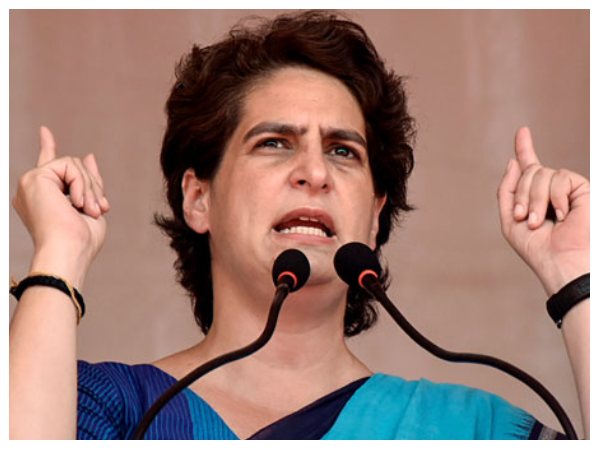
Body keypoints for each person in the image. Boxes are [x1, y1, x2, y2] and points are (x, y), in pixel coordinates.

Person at [9, 11, 589, 440]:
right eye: (274, 143)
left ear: (374, 214)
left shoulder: (475, 429)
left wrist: (578, 276)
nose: (315, 172)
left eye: (343, 151)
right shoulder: (109, 409)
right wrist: (59, 256)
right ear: (198, 198)